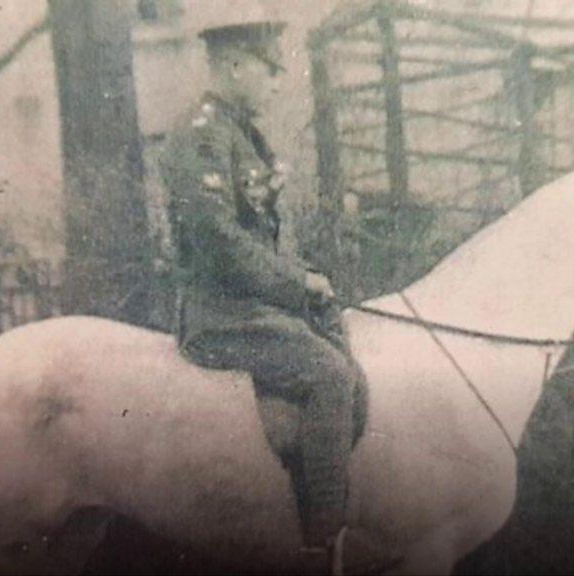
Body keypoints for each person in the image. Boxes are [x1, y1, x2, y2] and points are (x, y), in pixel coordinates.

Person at [159, 21, 396, 575]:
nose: (275, 83)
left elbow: (261, 238)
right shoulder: (201, 136)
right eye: (268, 70)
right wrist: (295, 284)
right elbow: (218, 242)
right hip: (221, 316)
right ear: (236, 64)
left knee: (348, 366)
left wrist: (303, 277)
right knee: (329, 377)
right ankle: (322, 550)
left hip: (254, 308)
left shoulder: (241, 134)